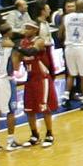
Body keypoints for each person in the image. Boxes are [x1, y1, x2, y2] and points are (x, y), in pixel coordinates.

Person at [17, 21, 57, 149]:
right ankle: (34, 135)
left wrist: (14, 47)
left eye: (29, 28)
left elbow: (30, 53)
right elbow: (18, 60)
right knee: (29, 109)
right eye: (25, 28)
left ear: (35, 30)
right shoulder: (23, 42)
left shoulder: (39, 41)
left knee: (44, 107)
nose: (26, 30)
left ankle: (49, 134)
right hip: (30, 78)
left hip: (41, 78)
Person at [61, 0, 83, 110]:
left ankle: (65, 98)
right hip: (81, 47)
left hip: (69, 47)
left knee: (71, 74)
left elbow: (60, 33)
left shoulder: (66, 17)